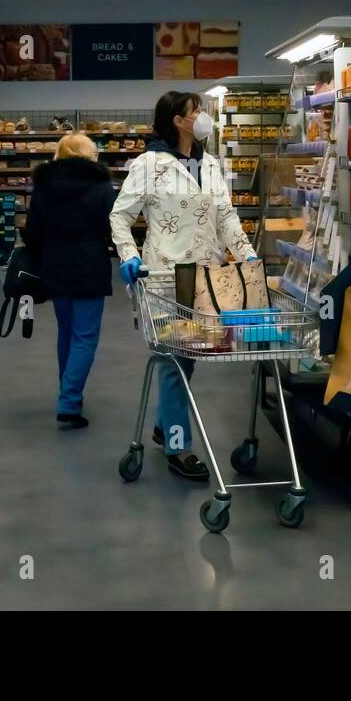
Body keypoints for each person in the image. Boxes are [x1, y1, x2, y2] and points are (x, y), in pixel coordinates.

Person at [110, 92, 258, 480]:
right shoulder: (148, 164)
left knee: (187, 356)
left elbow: (225, 214)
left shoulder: (210, 164)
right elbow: (120, 216)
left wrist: (246, 252)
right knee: (177, 358)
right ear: (178, 120)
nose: (204, 116)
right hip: (163, 277)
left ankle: (162, 424)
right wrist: (128, 256)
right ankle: (178, 445)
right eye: (197, 111)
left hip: (207, 279)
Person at [23, 133, 115, 429]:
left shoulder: (43, 187)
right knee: (85, 335)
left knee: (66, 331)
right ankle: (70, 402)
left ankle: (68, 392)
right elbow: (111, 228)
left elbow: (33, 232)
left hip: (54, 265)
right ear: (85, 155)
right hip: (89, 265)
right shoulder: (101, 187)